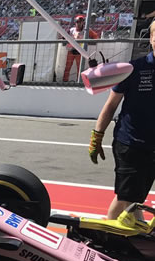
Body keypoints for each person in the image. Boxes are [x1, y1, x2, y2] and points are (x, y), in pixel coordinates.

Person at [89, 20, 155, 220]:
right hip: (131, 145)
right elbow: (111, 105)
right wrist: (97, 136)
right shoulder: (133, 69)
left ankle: (131, 237)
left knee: (135, 199)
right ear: (151, 39)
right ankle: (107, 238)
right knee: (127, 198)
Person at [63, 15, 99, 82]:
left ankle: (78, 81)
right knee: (67, 67)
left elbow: (95, 37)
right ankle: (65, 81)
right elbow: (64, 37)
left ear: (83, 22)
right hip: (71, 51)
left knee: (79, 68)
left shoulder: (86, 31)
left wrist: (88, 41)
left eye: (80, 22)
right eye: (77, 22)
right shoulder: (71, 30)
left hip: (79, 52)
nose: (78, 23)